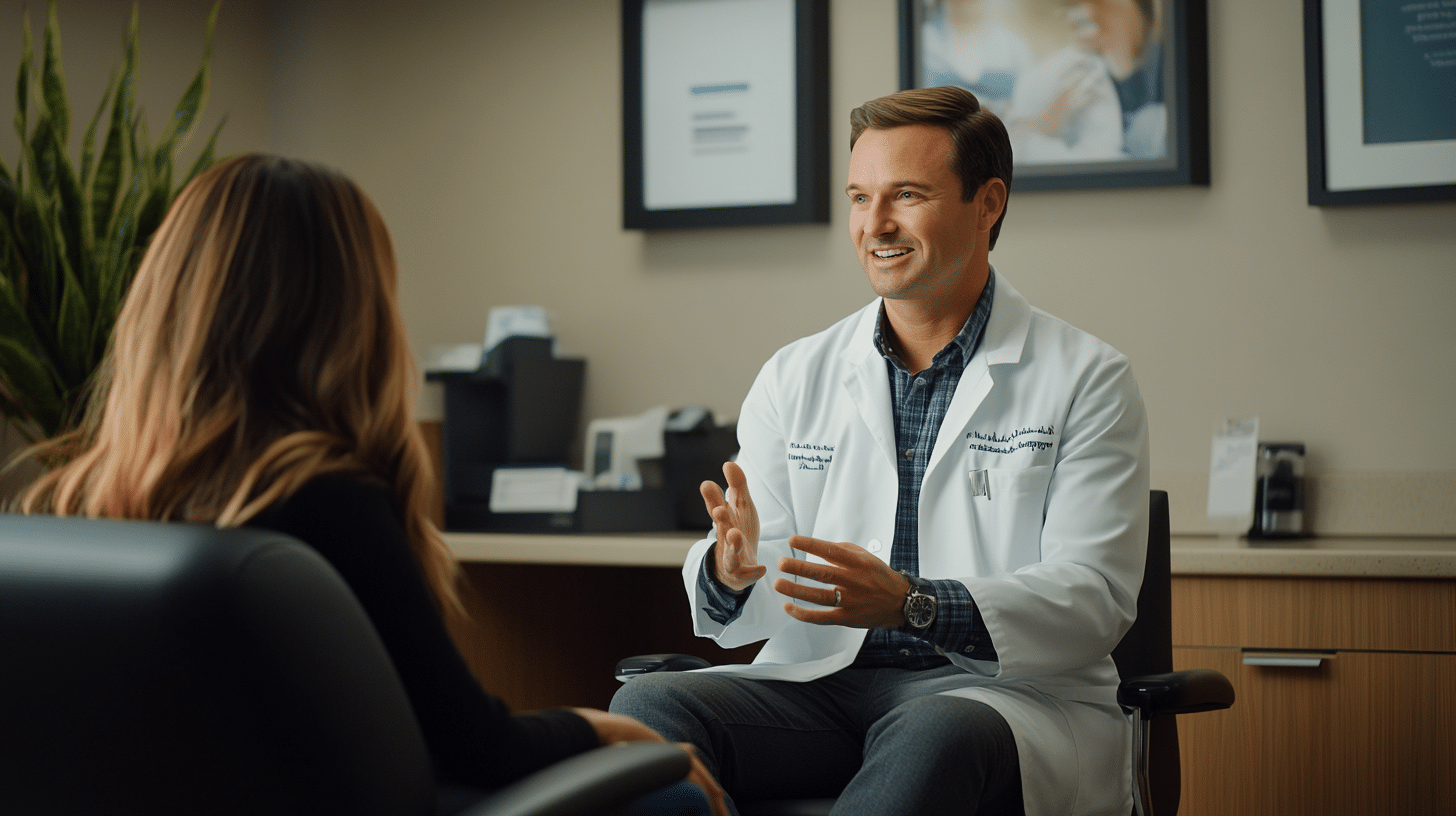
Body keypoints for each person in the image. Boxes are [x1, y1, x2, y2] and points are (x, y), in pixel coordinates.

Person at [16, 154, 727, 816]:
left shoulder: (77, 512)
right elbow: (476, 749)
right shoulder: (325, 502)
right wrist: (603, 728)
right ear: (351, 319)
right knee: (673, 795)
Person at [610, 86, 1149, 816]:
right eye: (860, 198)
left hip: (991, 696)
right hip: (820, 688)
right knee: (645, 707)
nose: (875, 225)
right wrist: (730, 572)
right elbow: (757, 570)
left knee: (933, 729)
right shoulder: (797, 373)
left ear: (987, 203)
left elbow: (1094, 599)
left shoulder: (1086, 377)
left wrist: (914, 605)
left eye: (906, 195)